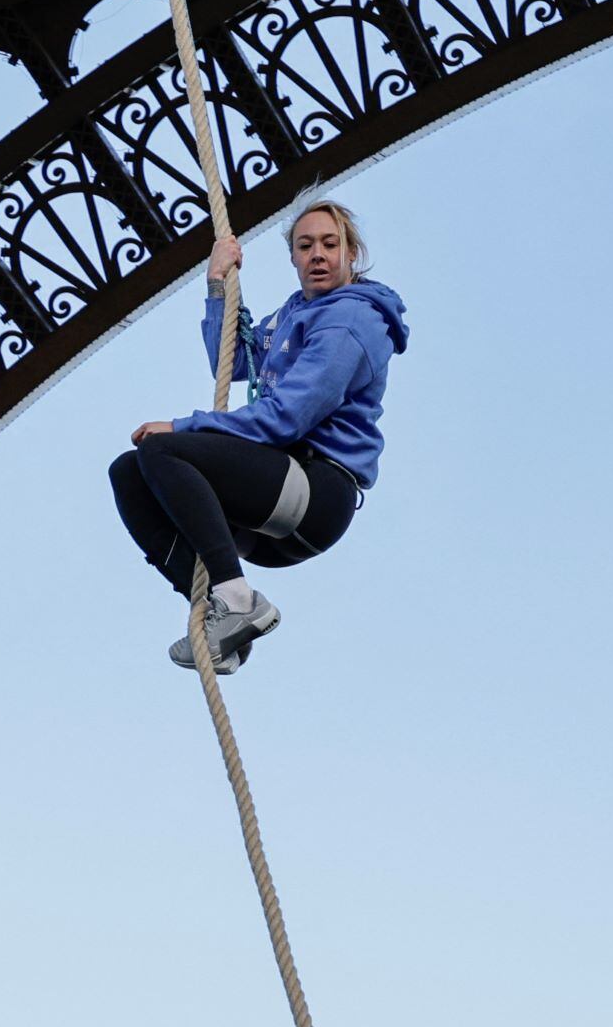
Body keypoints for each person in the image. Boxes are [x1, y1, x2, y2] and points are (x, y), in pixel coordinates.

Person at [106, 199, 407, 673]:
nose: (318, 255)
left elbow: (286, 418)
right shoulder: (294, 313)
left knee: (164, 449)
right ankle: (221, 620)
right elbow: (238, 362)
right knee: (129, 470)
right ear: (292, 258)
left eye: (331, 244)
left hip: (317, 491)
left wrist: (183, 427)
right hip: (270, 504)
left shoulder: (351, 321)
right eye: (305, 246)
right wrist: (216, 287)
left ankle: (237, 599)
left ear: (353, 253)